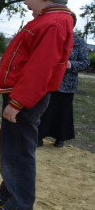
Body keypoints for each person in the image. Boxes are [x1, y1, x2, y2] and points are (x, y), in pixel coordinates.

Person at [0, 0, 75, 210]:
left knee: (19, 150)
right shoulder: (48, 20)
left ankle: (19, 209)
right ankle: (8, 193)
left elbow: (40, 70)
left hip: (25, 98)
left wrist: (17, 103)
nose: (25, 1)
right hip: (20, 96)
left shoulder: (54, 23)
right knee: (10, 147)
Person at [37, 13, 90, 148]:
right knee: (44, 110)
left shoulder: (79, 42)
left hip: (67, 85)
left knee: (63, 112)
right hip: (49, 81)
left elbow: (85, 62)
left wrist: (69, 65)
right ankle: (39, 137)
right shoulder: (53, 37)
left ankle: (60, 138)